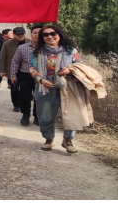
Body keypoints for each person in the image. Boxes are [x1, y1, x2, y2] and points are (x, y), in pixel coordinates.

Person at [29, 24, 83, 153]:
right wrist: (41, 80)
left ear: (59, 34)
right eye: (45, 34)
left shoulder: (71, 51)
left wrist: (69, 70)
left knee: (71, 114)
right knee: (46, 115)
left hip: (69, 87)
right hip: (45, 88)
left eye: (53, 33)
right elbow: (32, 69)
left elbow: (80, 66)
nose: (50, 36)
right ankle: (48, 139)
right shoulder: (37, 52)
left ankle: (68, 140)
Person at [10, 24, 42, 126]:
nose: (37, 35)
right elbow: (15, 62)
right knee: (25, 97)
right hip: (25, 76)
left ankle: (37, 116)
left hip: (42, 77)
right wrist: (13, 75)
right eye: (35, 33)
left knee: (39, 97)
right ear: (31, 34)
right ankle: (25, 115)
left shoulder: (47, 48)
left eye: (40, 33)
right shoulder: (22, 48)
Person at [0, 27, 30, 112]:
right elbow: (2, 58)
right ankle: (16, 104)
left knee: (26, 89)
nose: (20, 36)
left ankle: (25, 104)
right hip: (12, 70)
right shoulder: (7, 44)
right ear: (14, 35)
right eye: (18, 34)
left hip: (27, 70)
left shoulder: (30, 42)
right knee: (14, 88)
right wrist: (1, 70)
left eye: (22, 34)